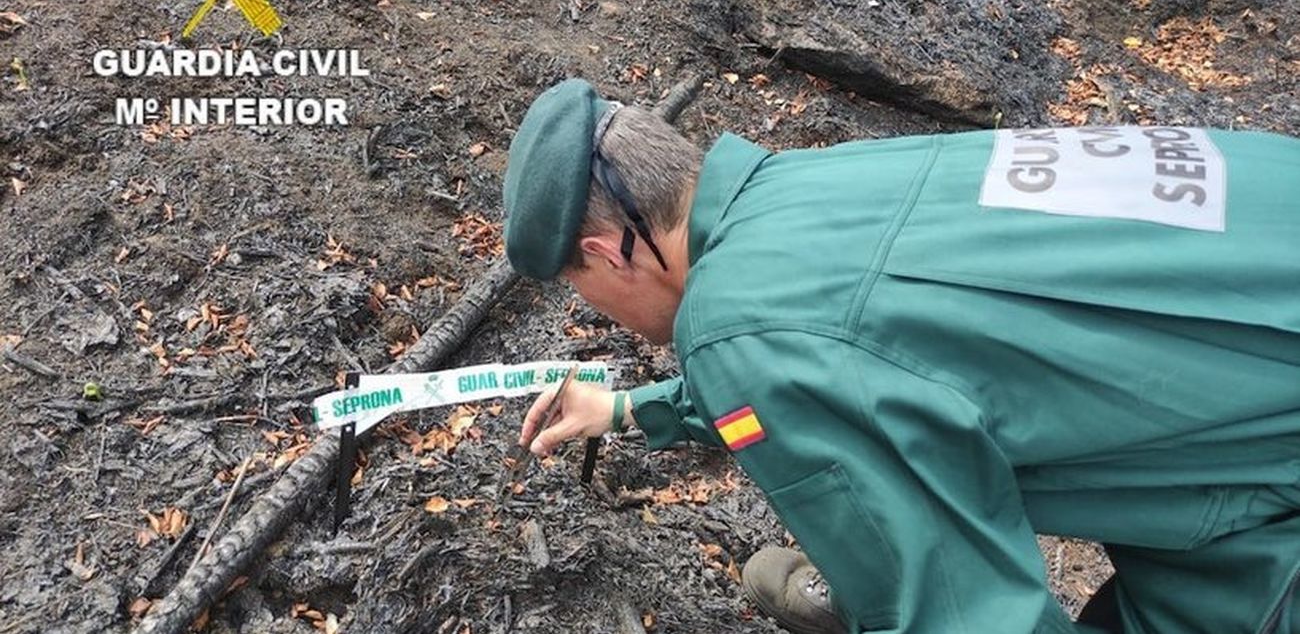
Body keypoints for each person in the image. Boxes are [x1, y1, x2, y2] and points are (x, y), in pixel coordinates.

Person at [503, 78, 1300, 634]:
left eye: (582, 286)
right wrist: (626, 407)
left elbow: (969, 610)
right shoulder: (798, 191)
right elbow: (853, 349)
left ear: (609, 253)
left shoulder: (741, 325)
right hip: (1247, 321)